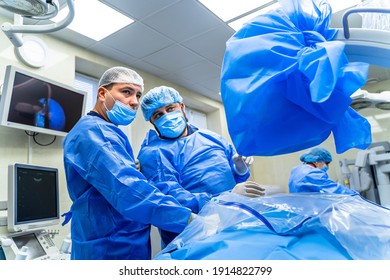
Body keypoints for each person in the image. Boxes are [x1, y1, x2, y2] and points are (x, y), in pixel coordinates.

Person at [62, 67, 203, 260]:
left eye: (138, 95)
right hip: (110, 246)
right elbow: (129, 190)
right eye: (126, 92)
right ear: (102, 93)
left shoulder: (108, 131)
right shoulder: (94, 132)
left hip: (122, 239)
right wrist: (188, 219)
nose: (135, 102)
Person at [138, 85, 265, 247]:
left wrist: (240, 170)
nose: (166, 116)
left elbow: (233, 180)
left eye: (170, 108)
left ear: (182, 107)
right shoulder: (154, 154)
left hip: (235, 219)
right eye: (158, 115)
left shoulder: (211, 137)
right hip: (194, 234)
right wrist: (225, 198)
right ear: (152, 122)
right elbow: (172, 199)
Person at [288, 147, 358, 194]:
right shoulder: (312, 174)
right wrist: (355, 195)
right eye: (326, 163)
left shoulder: (296, 170)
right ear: (317, 161)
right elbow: (335, 190)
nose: (327, 166)